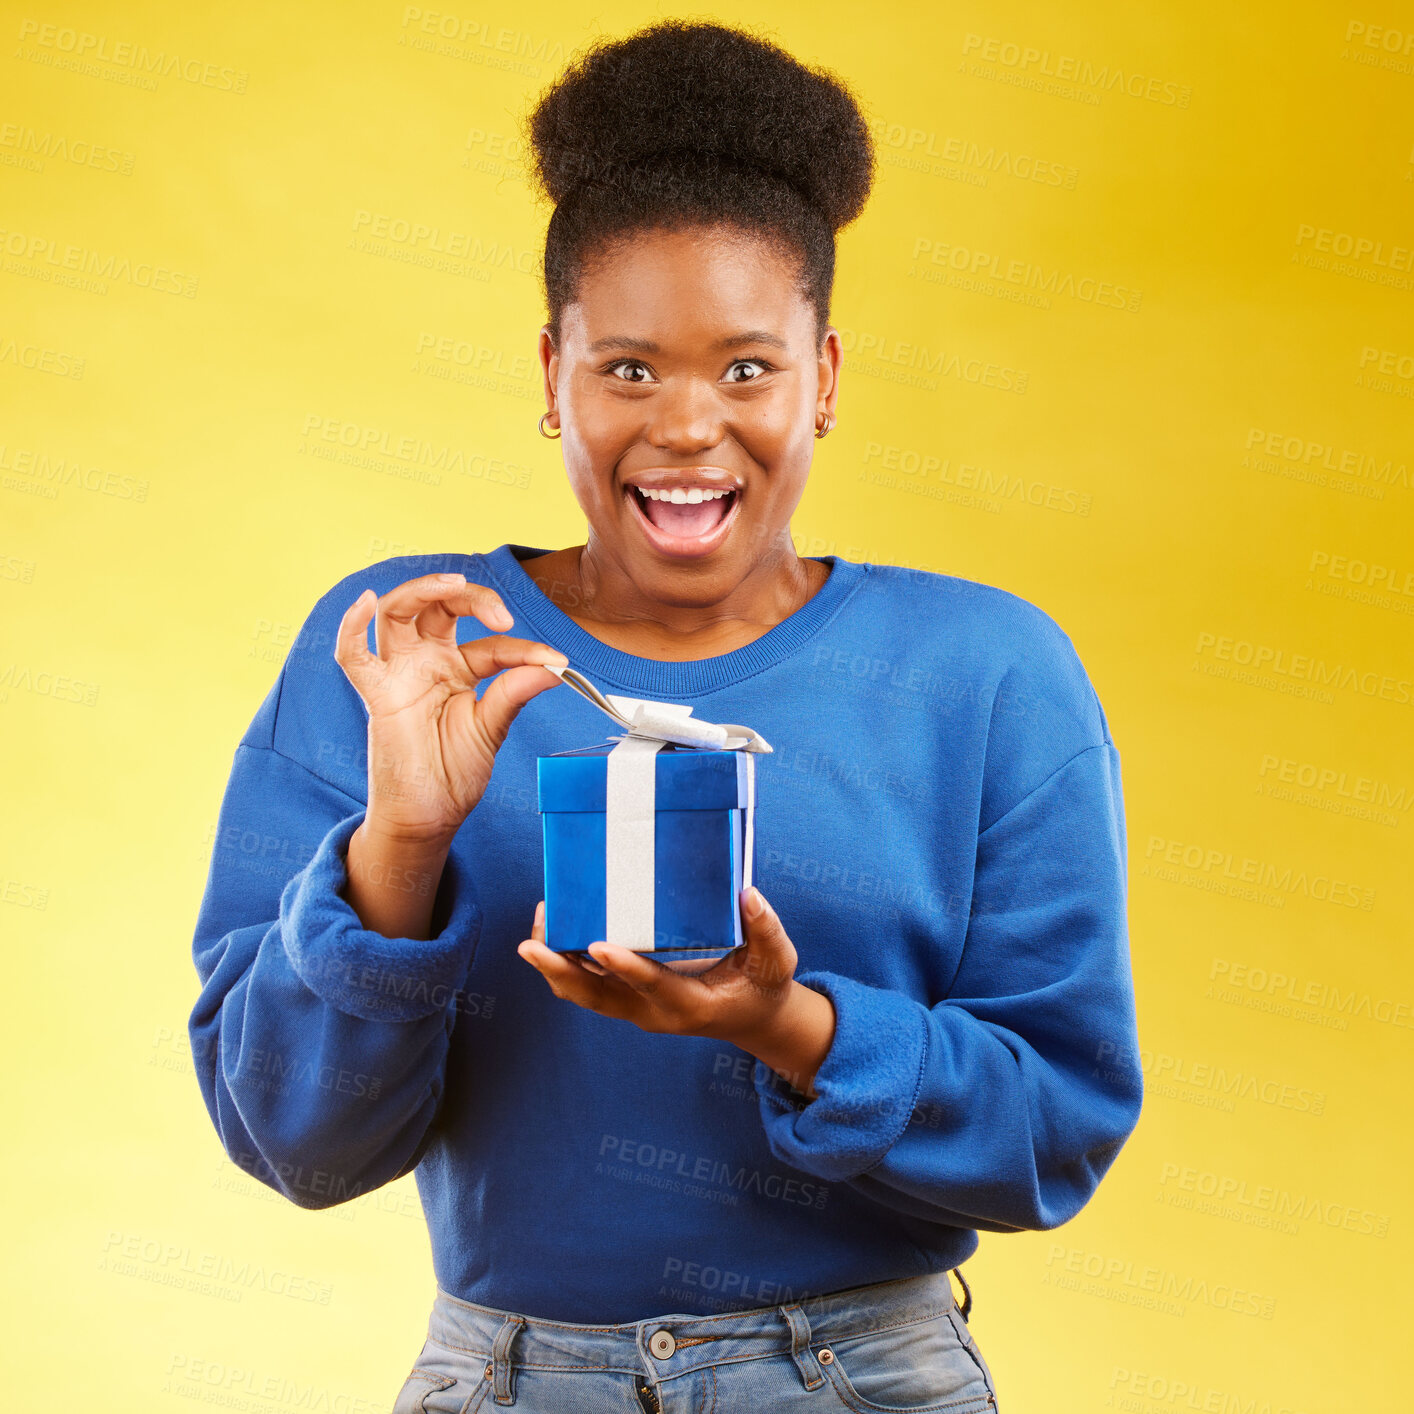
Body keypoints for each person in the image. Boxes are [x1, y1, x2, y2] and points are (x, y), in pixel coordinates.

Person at [188, 20, 1143, 1413]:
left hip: (863, 1378)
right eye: (627, 368)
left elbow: (1049, 1138)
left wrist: (787, 1024)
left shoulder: (989, 672)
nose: (688, 424)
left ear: (823, 375)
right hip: (507, 1378)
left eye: (746, 369)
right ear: (550, 376)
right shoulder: (409, 648)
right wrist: (399, 841)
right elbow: (294, 1142)